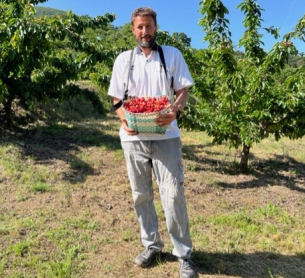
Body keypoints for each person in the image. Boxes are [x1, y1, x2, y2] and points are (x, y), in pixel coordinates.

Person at [107, 6, 198, 278]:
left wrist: (174, 110)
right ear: (133, 29)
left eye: (148, 26)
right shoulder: (123, 60)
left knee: (172, 194)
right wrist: (126, 120)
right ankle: (152, 245)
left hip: (166, 135)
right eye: (139, 27)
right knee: (141, 194)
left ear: (155, 27)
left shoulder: (172, 55)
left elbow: (181, 91)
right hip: (133, 139)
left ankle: (183, 254)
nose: (144, 32)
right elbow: (116, 100)